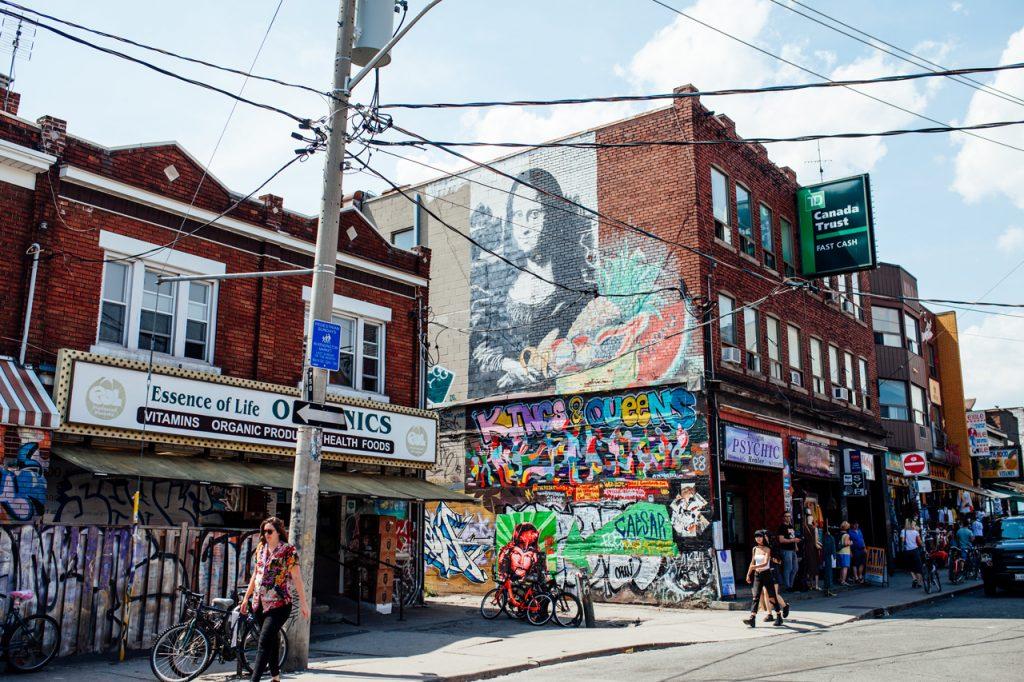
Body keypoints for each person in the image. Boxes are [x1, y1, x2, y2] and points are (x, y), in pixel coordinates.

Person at [240, 517, 311, 682]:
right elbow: (256, 575)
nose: (266, 534)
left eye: (269, 531)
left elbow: (297, 577)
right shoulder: (261, 548)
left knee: (264, 642)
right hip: (259, 603)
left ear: (279, 532)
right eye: (264, 531)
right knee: (271, 641)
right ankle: (275, 677)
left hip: (280, 604)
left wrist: (304, 603)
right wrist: (246, 598)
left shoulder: (288, 551)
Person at [743, 530, 784, 628]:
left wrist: (755, 567)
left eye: (760, 536)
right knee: (755, 596)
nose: (758, 538)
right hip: (757, 575)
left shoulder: (767, 549)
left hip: (767, 574)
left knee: (772, 596)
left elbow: (766, 563)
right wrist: (748, 574)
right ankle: (752, 618)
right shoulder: (754, 549)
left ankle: (779, 616)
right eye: (756, 537)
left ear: (763, 538)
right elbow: (752, 562)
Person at [776, 512, 800, 590]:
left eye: (789, 516)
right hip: (786, 550)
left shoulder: (791, 526)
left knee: (795, 568)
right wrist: (793, 540)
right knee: (788, 568)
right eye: (786, 516)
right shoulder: (781, 527)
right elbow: (781, 540)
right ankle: (787, 586)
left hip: (792, 550)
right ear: (783, 517)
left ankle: (791, 585)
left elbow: (793, 537)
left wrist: (795, 545)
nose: (788, 518)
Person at [900, 519, 924, 588]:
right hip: (915, 550)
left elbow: (903, 541)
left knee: (911, 566)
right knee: (918, 567)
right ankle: (920, 583)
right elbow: (920, 542)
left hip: (907, 551)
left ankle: (914, 578)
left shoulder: (903, 531)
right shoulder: (915, 532)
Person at [802, 513, 821, 591]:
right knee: (815, 566)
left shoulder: (804, 527)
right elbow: (816, 541)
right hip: (813, 549)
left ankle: (810, 585)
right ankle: (816, 585)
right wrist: (820, 546)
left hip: (807, 549)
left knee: (809, 566)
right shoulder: (814, 528)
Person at [821, 525, 837, 597]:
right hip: (829, 557)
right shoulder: (830, 538)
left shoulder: (826, 538)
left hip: (827, 557)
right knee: (828, 573)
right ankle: (828, 589)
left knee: (828, 573)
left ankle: (828, 590)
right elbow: (832, 548)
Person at [837, 521, 853, 586]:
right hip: (845, 552)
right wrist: (851, 542)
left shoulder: (839, 534)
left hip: (839, 552)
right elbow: (846, 543)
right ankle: (843, 581)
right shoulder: (846, 535)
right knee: (845, 567)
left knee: (841, 567)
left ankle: (841, 579)